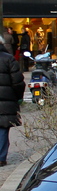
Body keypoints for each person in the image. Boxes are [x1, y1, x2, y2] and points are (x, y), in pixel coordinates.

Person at [0, 36, 25, 167]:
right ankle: (1, 157)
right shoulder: (8, 58)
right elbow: (18, 82)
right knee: (3, 128)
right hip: (6, 100)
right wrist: (17, 97)